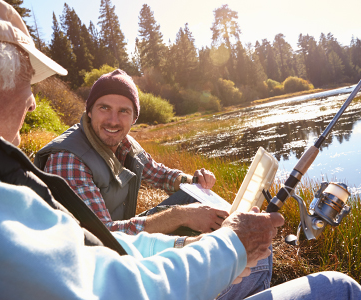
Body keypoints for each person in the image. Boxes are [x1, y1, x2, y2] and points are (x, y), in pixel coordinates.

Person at [0, 0, 361, 299]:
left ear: (134, 118)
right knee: (338, 288)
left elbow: (95, 246)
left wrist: (189, 196)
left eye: (125, 112)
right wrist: (224, 239)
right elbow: (108, 279)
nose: (34, 100)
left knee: (246, 253)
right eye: (27, 81)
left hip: (135, 256)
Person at [34, 68, 275, 299]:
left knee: (196, 196)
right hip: (96, 267)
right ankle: (225, 272)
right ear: (89, 111)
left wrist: (193, 180)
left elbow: (159, 173)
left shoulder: (125, 143)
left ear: (134, 117)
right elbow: (103, 237)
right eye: (104, 108)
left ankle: (225, 251)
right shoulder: (68, 159)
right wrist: (181, 216)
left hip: (121, 244)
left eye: (124, 111)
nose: (113, 120)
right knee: (259, 258)